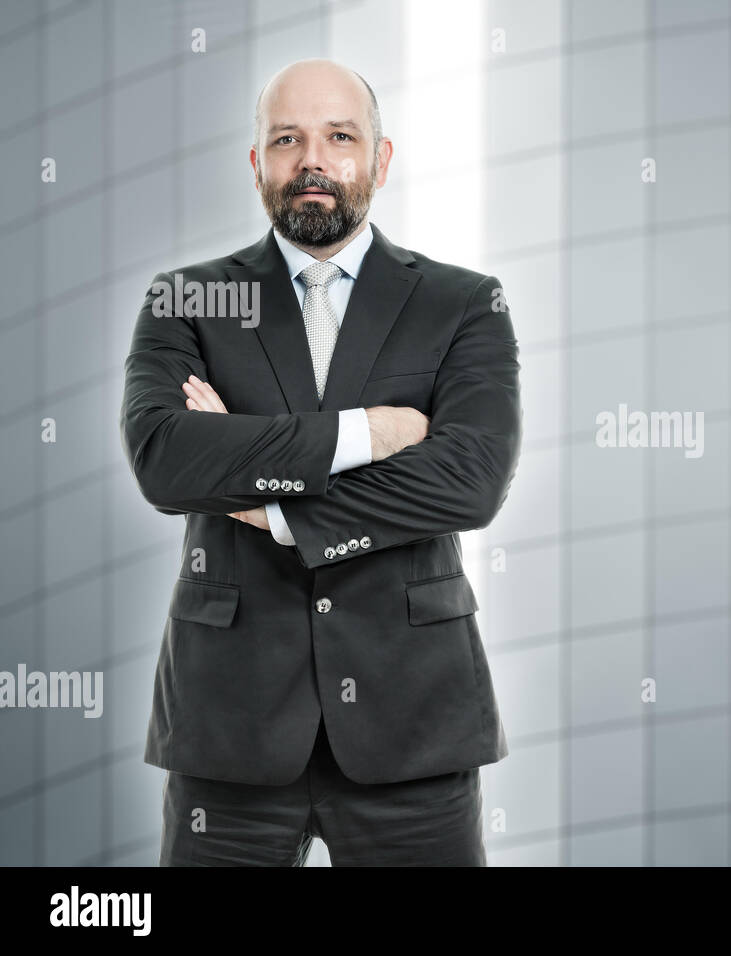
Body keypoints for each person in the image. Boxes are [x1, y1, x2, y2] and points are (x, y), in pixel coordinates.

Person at [118, 58, 522, 866]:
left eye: (340, 137)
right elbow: (166, 460)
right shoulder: (189, 298)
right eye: (287, 139)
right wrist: (369, 435)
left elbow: (470, 479)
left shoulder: (464, 303)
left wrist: (267, 505)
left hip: (415, 728)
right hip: (229, 729)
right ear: (257, 162)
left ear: (379, 159)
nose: (313, 160)